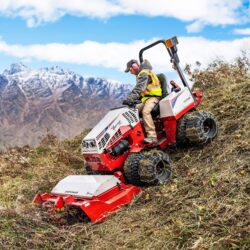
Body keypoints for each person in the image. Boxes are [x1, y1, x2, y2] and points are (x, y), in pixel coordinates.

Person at [123, 59, 162, 144]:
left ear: (135, 66)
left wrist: (130, 99)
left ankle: (152, 137)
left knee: (145, 112)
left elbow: (139, 88)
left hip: (154, 97)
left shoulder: (144, 73)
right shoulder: (141, 74)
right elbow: (142, 91)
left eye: (130, 70)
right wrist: (135, 101)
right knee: (132, 111)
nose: (130, 72)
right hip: (146, 99)